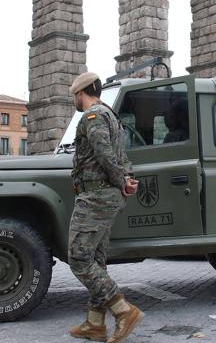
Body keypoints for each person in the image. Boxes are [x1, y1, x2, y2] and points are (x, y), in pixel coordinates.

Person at [67, 72, 142, 343]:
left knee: (78, 257)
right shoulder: (111, 115)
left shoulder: (93, 116)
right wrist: (127, 180)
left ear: (82, 92)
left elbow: (104, 153)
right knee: (96, 260)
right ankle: (95, 324)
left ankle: (123, 311)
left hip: (96, 197)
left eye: (75, 95)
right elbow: (120, 155)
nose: (74, 100)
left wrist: (121, 180)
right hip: (106, 196)